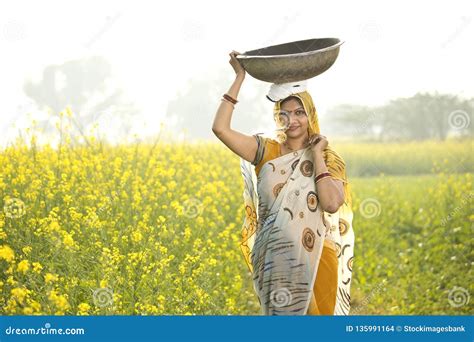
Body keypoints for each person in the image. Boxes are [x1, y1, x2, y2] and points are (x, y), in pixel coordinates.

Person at [212, 50, 355, 315]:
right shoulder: (265, 151)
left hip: (318, 259)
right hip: (274, 261)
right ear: (277, 117)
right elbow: (221, 129)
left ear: (310, 113)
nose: (292, 121)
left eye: (299, 112)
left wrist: (316, 156)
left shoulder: (327, 157)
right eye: (284, 114)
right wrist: (239, 77)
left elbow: (333, 203)